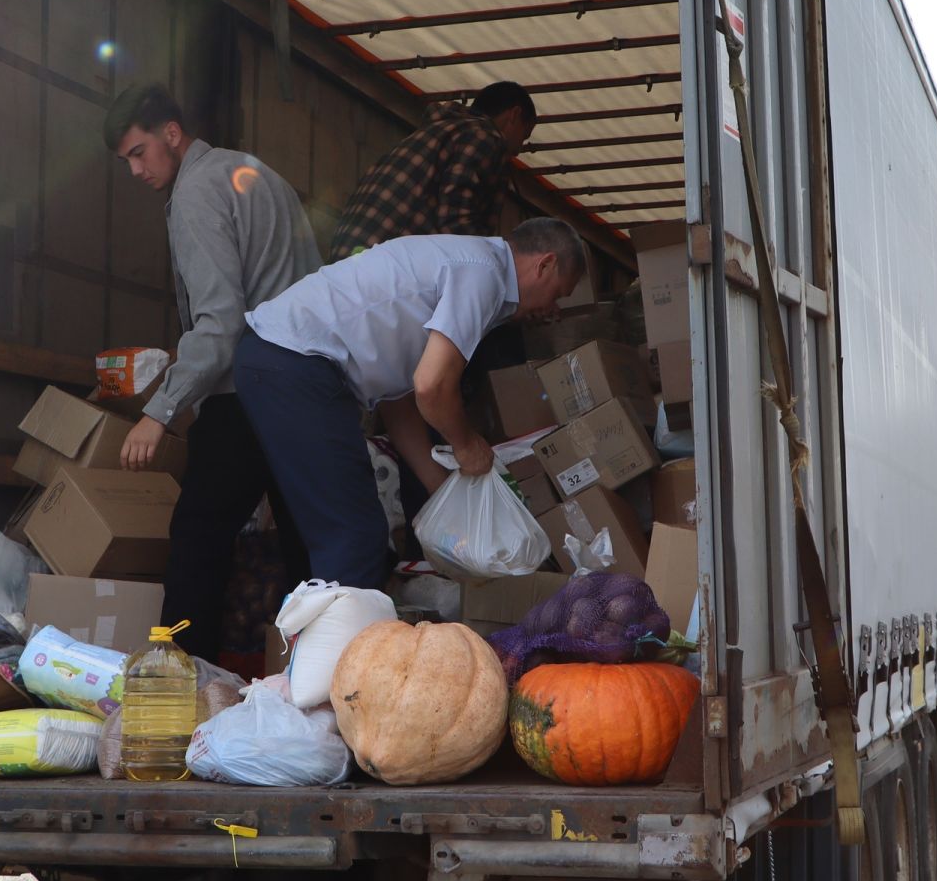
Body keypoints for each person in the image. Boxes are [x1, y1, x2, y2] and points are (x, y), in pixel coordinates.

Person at [232, 218, 587, 591]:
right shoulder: (483, 274)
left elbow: (399, 396)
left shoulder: (470, 265)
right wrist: (468, 446)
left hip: (277, 360)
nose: (551, 310)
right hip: (295, 362)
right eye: (557, 294)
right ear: (544, 264)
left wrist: (440, 487)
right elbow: (431, 386)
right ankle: (349, 648)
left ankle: (317, 641)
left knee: (333, 533)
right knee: (356, 536)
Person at [103, 83, 321, 663]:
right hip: (307, 384)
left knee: (199, 535)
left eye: (139, 152)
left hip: (249, 387)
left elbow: (221, 321)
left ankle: (179, 671)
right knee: (310, 547)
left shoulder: (197, 191)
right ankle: (326, 683)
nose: (134, 170)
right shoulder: (256, 174)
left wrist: (159, 411)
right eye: (126, 159)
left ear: (171, 135)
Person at [328, 81, 537, 260]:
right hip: (384, 265)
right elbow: (456, 218)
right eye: (524, 135)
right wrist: (492, 270)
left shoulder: (438, 130)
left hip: (350, 256)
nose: (518, 150)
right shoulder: (483, 137)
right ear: (514, 115)